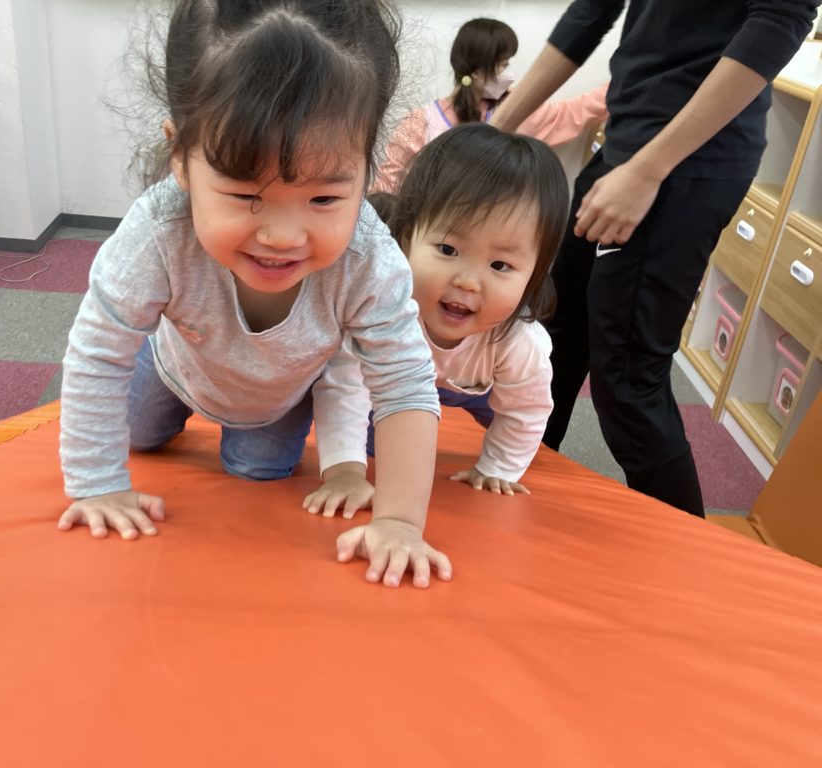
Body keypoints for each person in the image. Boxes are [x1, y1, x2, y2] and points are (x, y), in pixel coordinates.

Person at [57, 0, 453, 589]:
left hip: (276, 396)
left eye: (324, 199)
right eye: (246, 195)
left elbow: (405, 384)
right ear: (181, 158)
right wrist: (96, 485)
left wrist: (398, 522)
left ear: (367, 170)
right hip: (174, 366)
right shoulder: (159, 232)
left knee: (258, 472)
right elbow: (98, 350)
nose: (283, 236)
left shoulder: (368, 257)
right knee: (138, 436)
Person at [490, 0, 819, 517]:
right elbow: (591, 12)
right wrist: (497, 126)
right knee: (554, 335)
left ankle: (686, 551)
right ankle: (505, 484)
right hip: (627, 143)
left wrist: (650, 169)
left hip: (686, 162)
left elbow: (780, 20)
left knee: (627, 384)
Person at [303, 123, 569, 518]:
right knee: (377, 445)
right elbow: (346, 387)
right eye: (448, 249)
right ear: (406, 238)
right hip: (398, 379)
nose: (467, 281)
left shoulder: (517, 343)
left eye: (500, 265)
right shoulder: (383, 312)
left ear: (534, 275)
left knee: (514, 427)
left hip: (484, 390)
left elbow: (525, 410)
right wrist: (345, 471)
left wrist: (497, 468)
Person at [374, 17, 608, 193]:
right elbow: (386, 188)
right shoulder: (421, 122)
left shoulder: (513, 110)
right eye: (503, 65)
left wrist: (622, 85)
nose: (509, 74)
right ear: (476, 70)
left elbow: (573, 113)